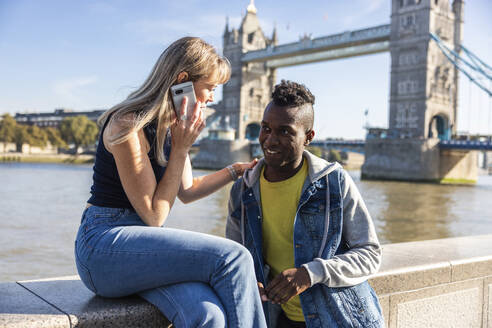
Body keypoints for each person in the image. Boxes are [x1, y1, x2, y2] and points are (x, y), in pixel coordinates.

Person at [75, 37, 267, 328]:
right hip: (103, 247)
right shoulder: (128, 124)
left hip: (142, 251)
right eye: (210, 88)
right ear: (182, 82)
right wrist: (180, 148)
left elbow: (187, 191)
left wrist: (235, 170)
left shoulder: (171, 127)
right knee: (234, 257)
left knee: (208, 314)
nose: (213, 98)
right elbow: (154, 215)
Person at [226, 80, 385, 328]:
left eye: (284, 131)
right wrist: (250, 279)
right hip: (275, 319)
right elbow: (235, 257)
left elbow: (370, 254)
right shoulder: (242, 191)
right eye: (265, 128)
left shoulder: (334, 182)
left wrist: (309, 275)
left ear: (308, 137)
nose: (270, 140)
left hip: (336, 318)